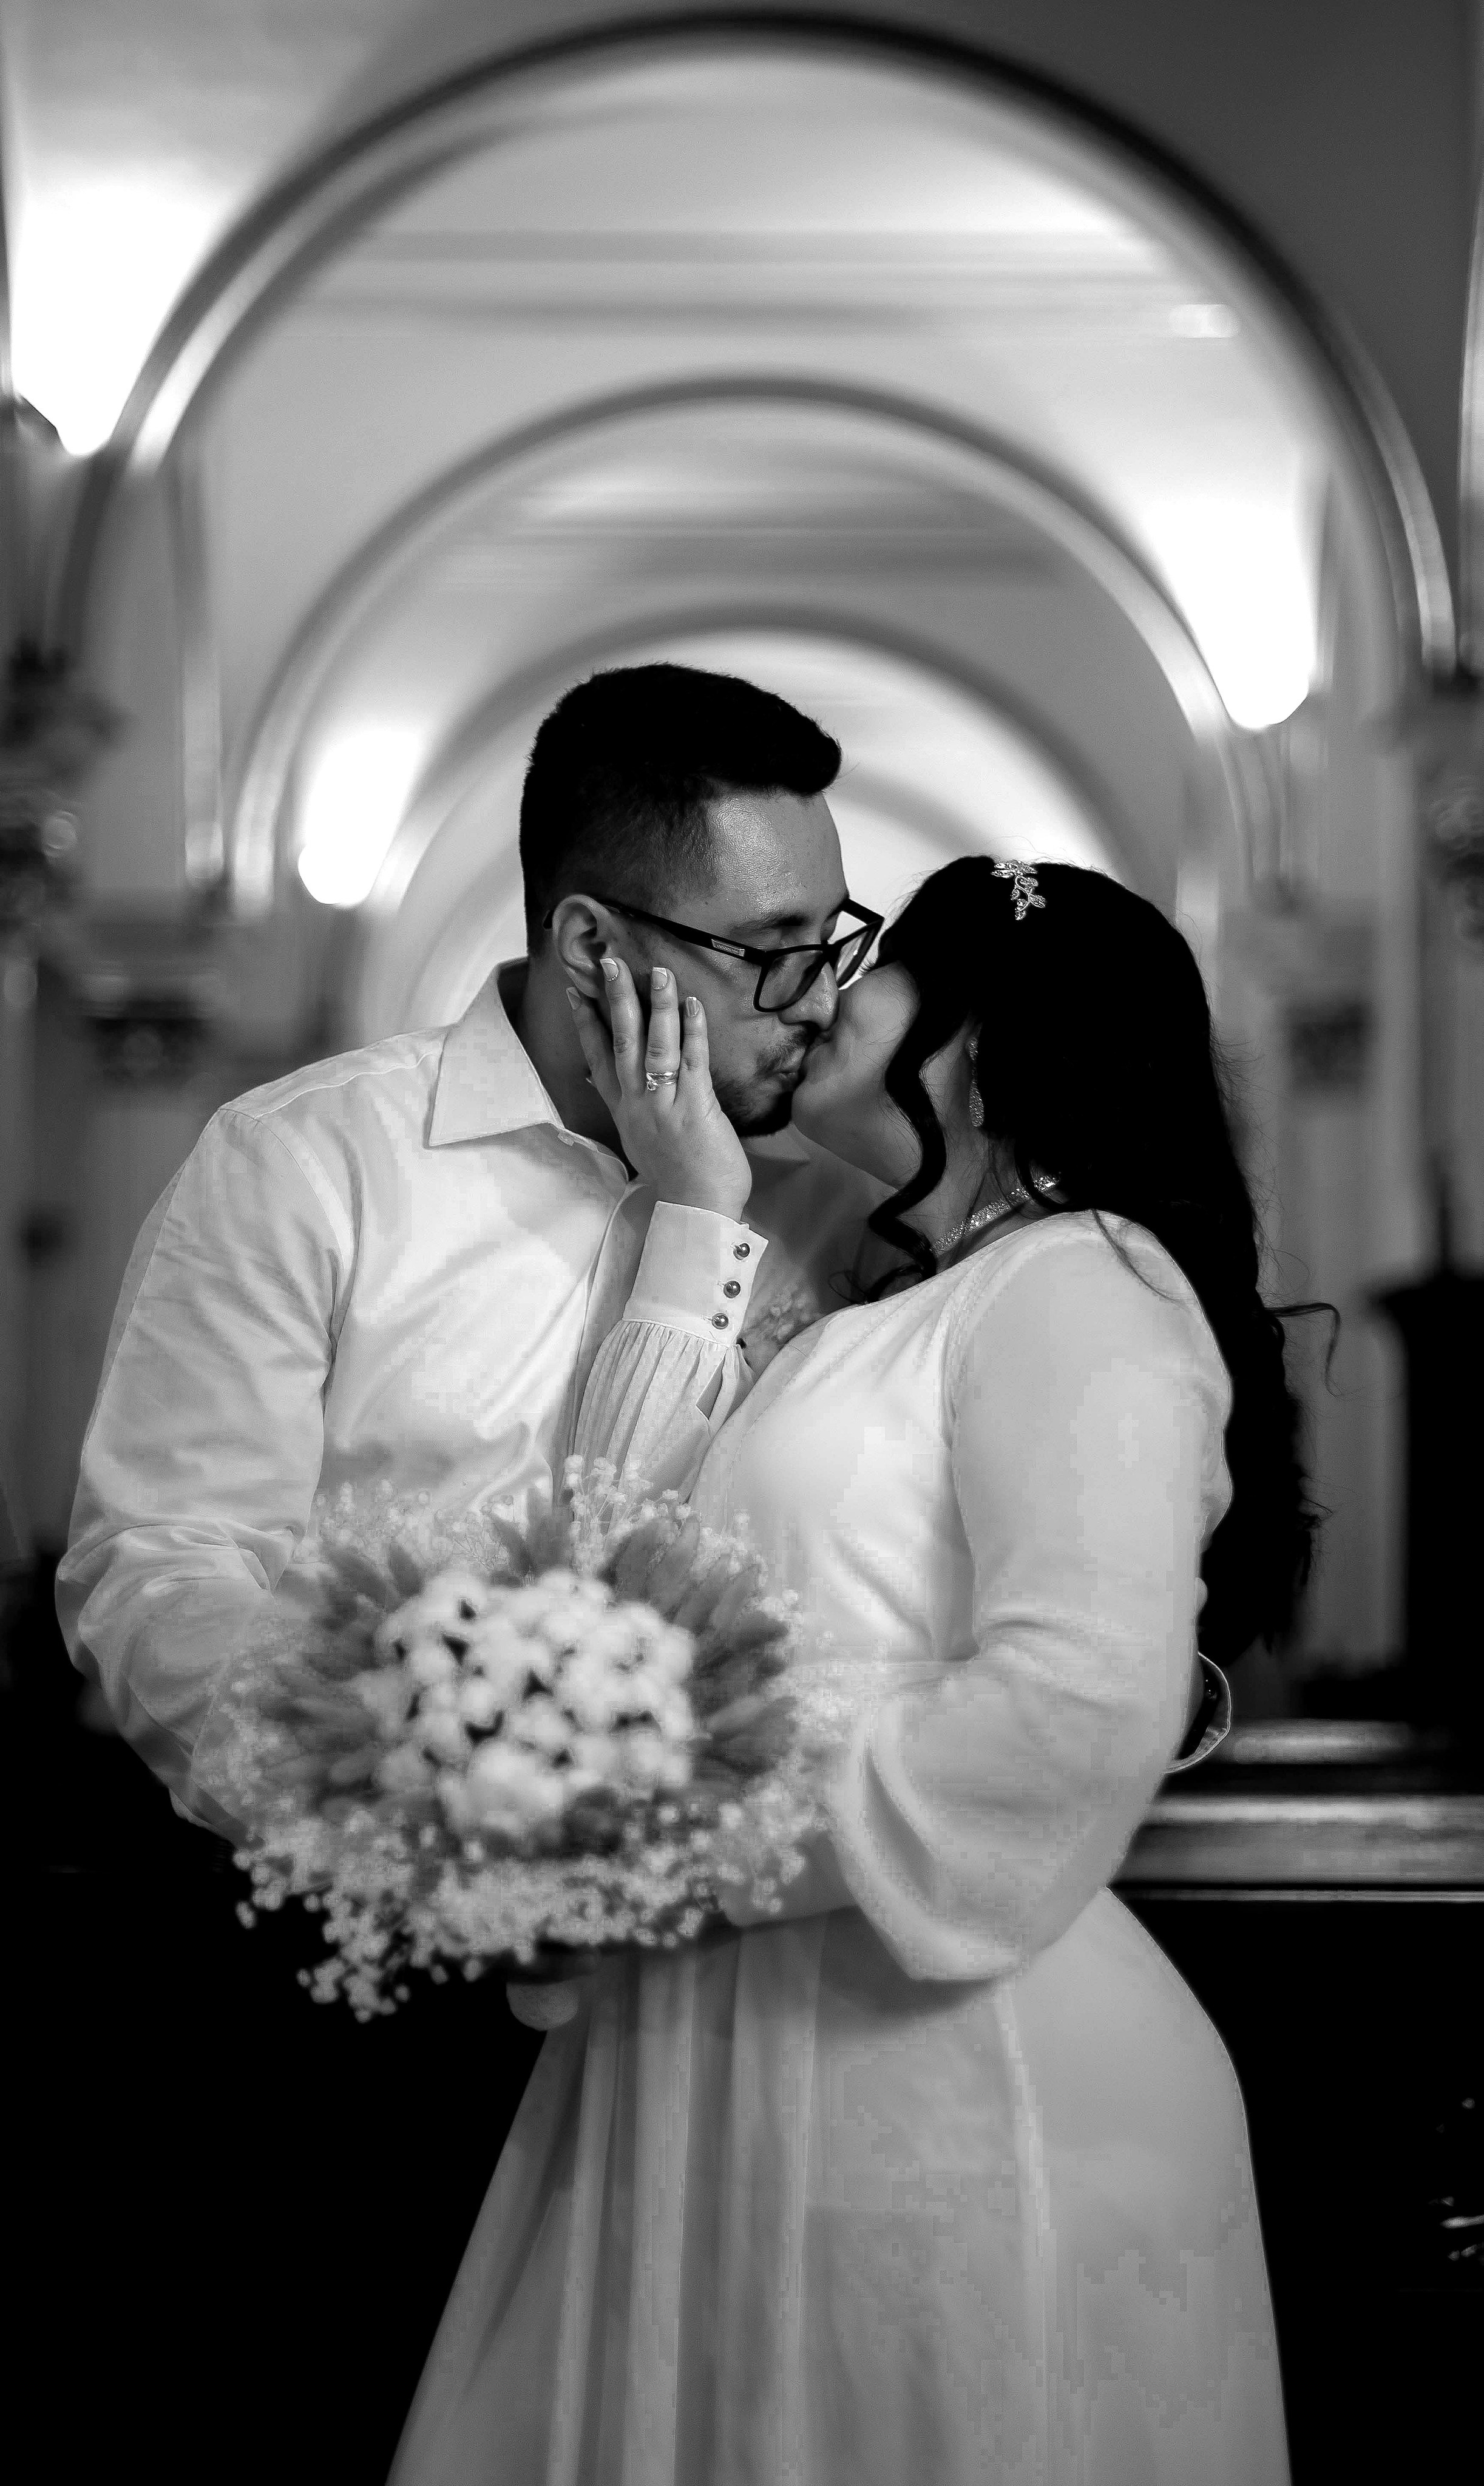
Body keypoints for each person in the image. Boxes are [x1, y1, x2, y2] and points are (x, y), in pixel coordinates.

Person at [387, 855, 1303, 2484]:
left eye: (867, 967)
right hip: (729, 2056)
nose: (815, 995)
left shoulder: (1088, 1285)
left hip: (935, 2075)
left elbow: (1072, 1711)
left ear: (977, 1038)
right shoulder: (888, 1306)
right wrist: (694, 1211)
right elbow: (611, 1565)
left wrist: (680, 1853)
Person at [55, 662, 884, 1821]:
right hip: (366, 1898)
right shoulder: (309, 1161)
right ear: (592, 944)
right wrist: (408, 1805)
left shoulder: (835, 1211)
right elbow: (165, 1568)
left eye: (832, 938)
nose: (815, 1002)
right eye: (767, 949)